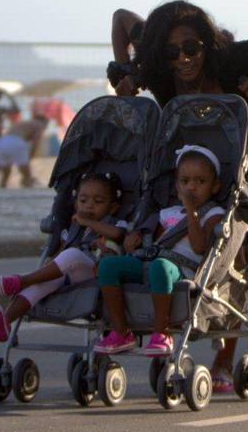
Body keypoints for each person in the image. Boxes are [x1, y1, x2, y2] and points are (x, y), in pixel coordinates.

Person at [110, 0, 248, 386]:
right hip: (195, 160)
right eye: (172, 51)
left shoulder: (231, 59)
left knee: (236, 245)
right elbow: (122, 19)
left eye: (191, 48)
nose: (183, 59)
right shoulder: (160, 73)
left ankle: (227, 358)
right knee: (234, 248)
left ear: (206, 45)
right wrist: (128, 70)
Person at [94, 146, 225, 356]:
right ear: (177, 186)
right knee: (109, 266)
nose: (192, 187)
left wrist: (192, 214)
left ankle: (161, 332)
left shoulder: (214, 214)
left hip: (184, 269)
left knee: (161, 267)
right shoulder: (168, 213)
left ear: (215, 186)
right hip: (155, 262)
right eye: (185, 182)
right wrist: (135, 238)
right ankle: (121, 331)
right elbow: (155, 240)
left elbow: (199, 247)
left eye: (200, 182)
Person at [0, 172, 127, 342]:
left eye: (98, 201)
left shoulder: (113, 223)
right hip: (70, 275)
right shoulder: (73, 228)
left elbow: (118, 234)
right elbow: (62, 253)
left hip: (97, 272)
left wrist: (89, 223)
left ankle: (21, 281)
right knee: (40, 284)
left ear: (112, 207)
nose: (89, 206)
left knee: (72, 255)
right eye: (83, 201)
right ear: (75, 204)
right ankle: (5, 321)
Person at [0, 113, 48, 188]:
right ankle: (27, 188)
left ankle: (1, 189)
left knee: (5, 173)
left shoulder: (24, 122)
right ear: (44, 122)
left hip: (2, 142)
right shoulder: (39, 125)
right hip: (17, 142)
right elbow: (36, 143)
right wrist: (30, 157)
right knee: (26, 174)